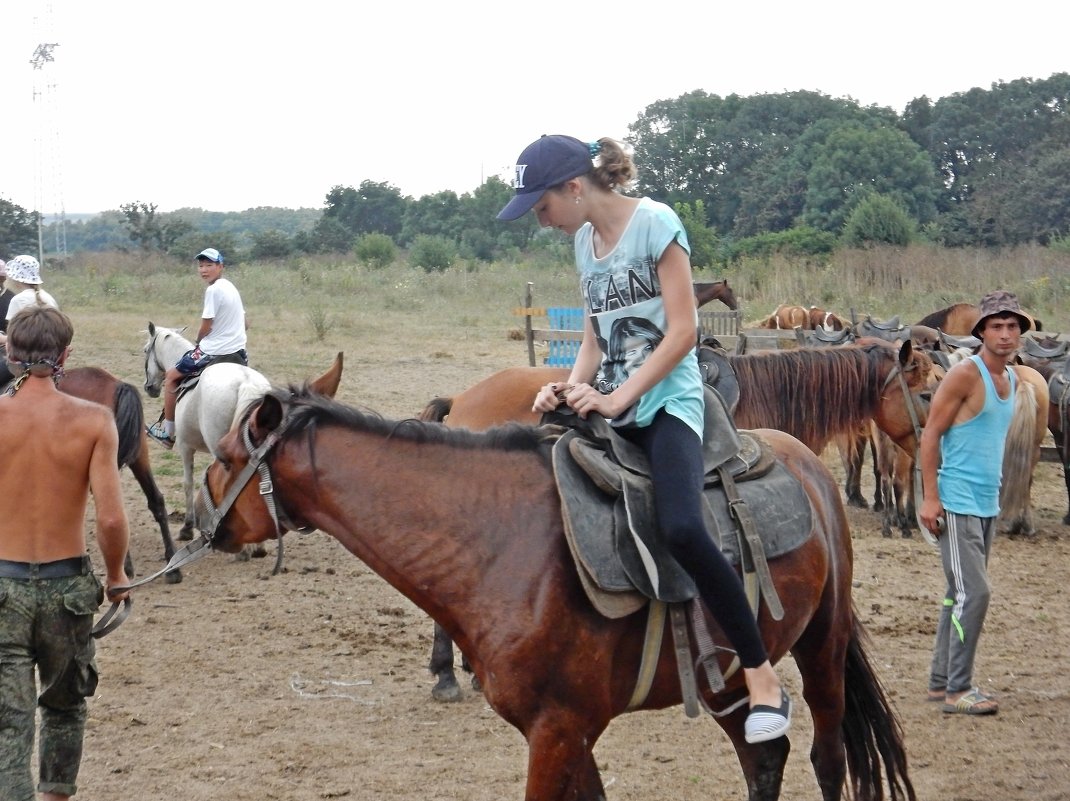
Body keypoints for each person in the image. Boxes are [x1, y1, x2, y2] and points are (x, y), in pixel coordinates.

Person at [498, 134, 791, 743]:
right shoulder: (584, 240)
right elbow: (594, 340)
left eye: (542, 205)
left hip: (666, 403)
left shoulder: (656, 223)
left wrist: (615, 398)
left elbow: (683, 333)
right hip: (608, 398)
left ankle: (761, 675)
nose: (541, 219)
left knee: (682, 525)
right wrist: (567, 387)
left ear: (574, 187)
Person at [0, 305, 131, 800]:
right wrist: (116, 575)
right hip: (66, 589)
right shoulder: (95, 420)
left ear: (10, 353)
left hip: (3, 587)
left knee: (7, 721)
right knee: (64, 706)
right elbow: (113, 518)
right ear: (66, 355)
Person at [919, 290, 1031, 716]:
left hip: (986, 505)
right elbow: (931, 434)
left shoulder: (1014, 379)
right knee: (976, 593)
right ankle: (958, 690)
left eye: (1012, 326)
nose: (1005, 334)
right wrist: (931, 499)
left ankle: (939, 682)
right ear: (981, 331)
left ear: (1020, 333)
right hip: (956, 502)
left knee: (959, 592)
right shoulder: (966, 374)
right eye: (996, 327)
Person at [146, 247, 248, 449]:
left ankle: (167, 433)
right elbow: (246, 323)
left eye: (209, 265)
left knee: (172, 376)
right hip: (239, 352)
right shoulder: (230, 287)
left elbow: (206, 325)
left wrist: (199, 341)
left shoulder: (213, 290)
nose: (204, 270)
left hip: (214, 351)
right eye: (201, 265)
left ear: (220, 266)